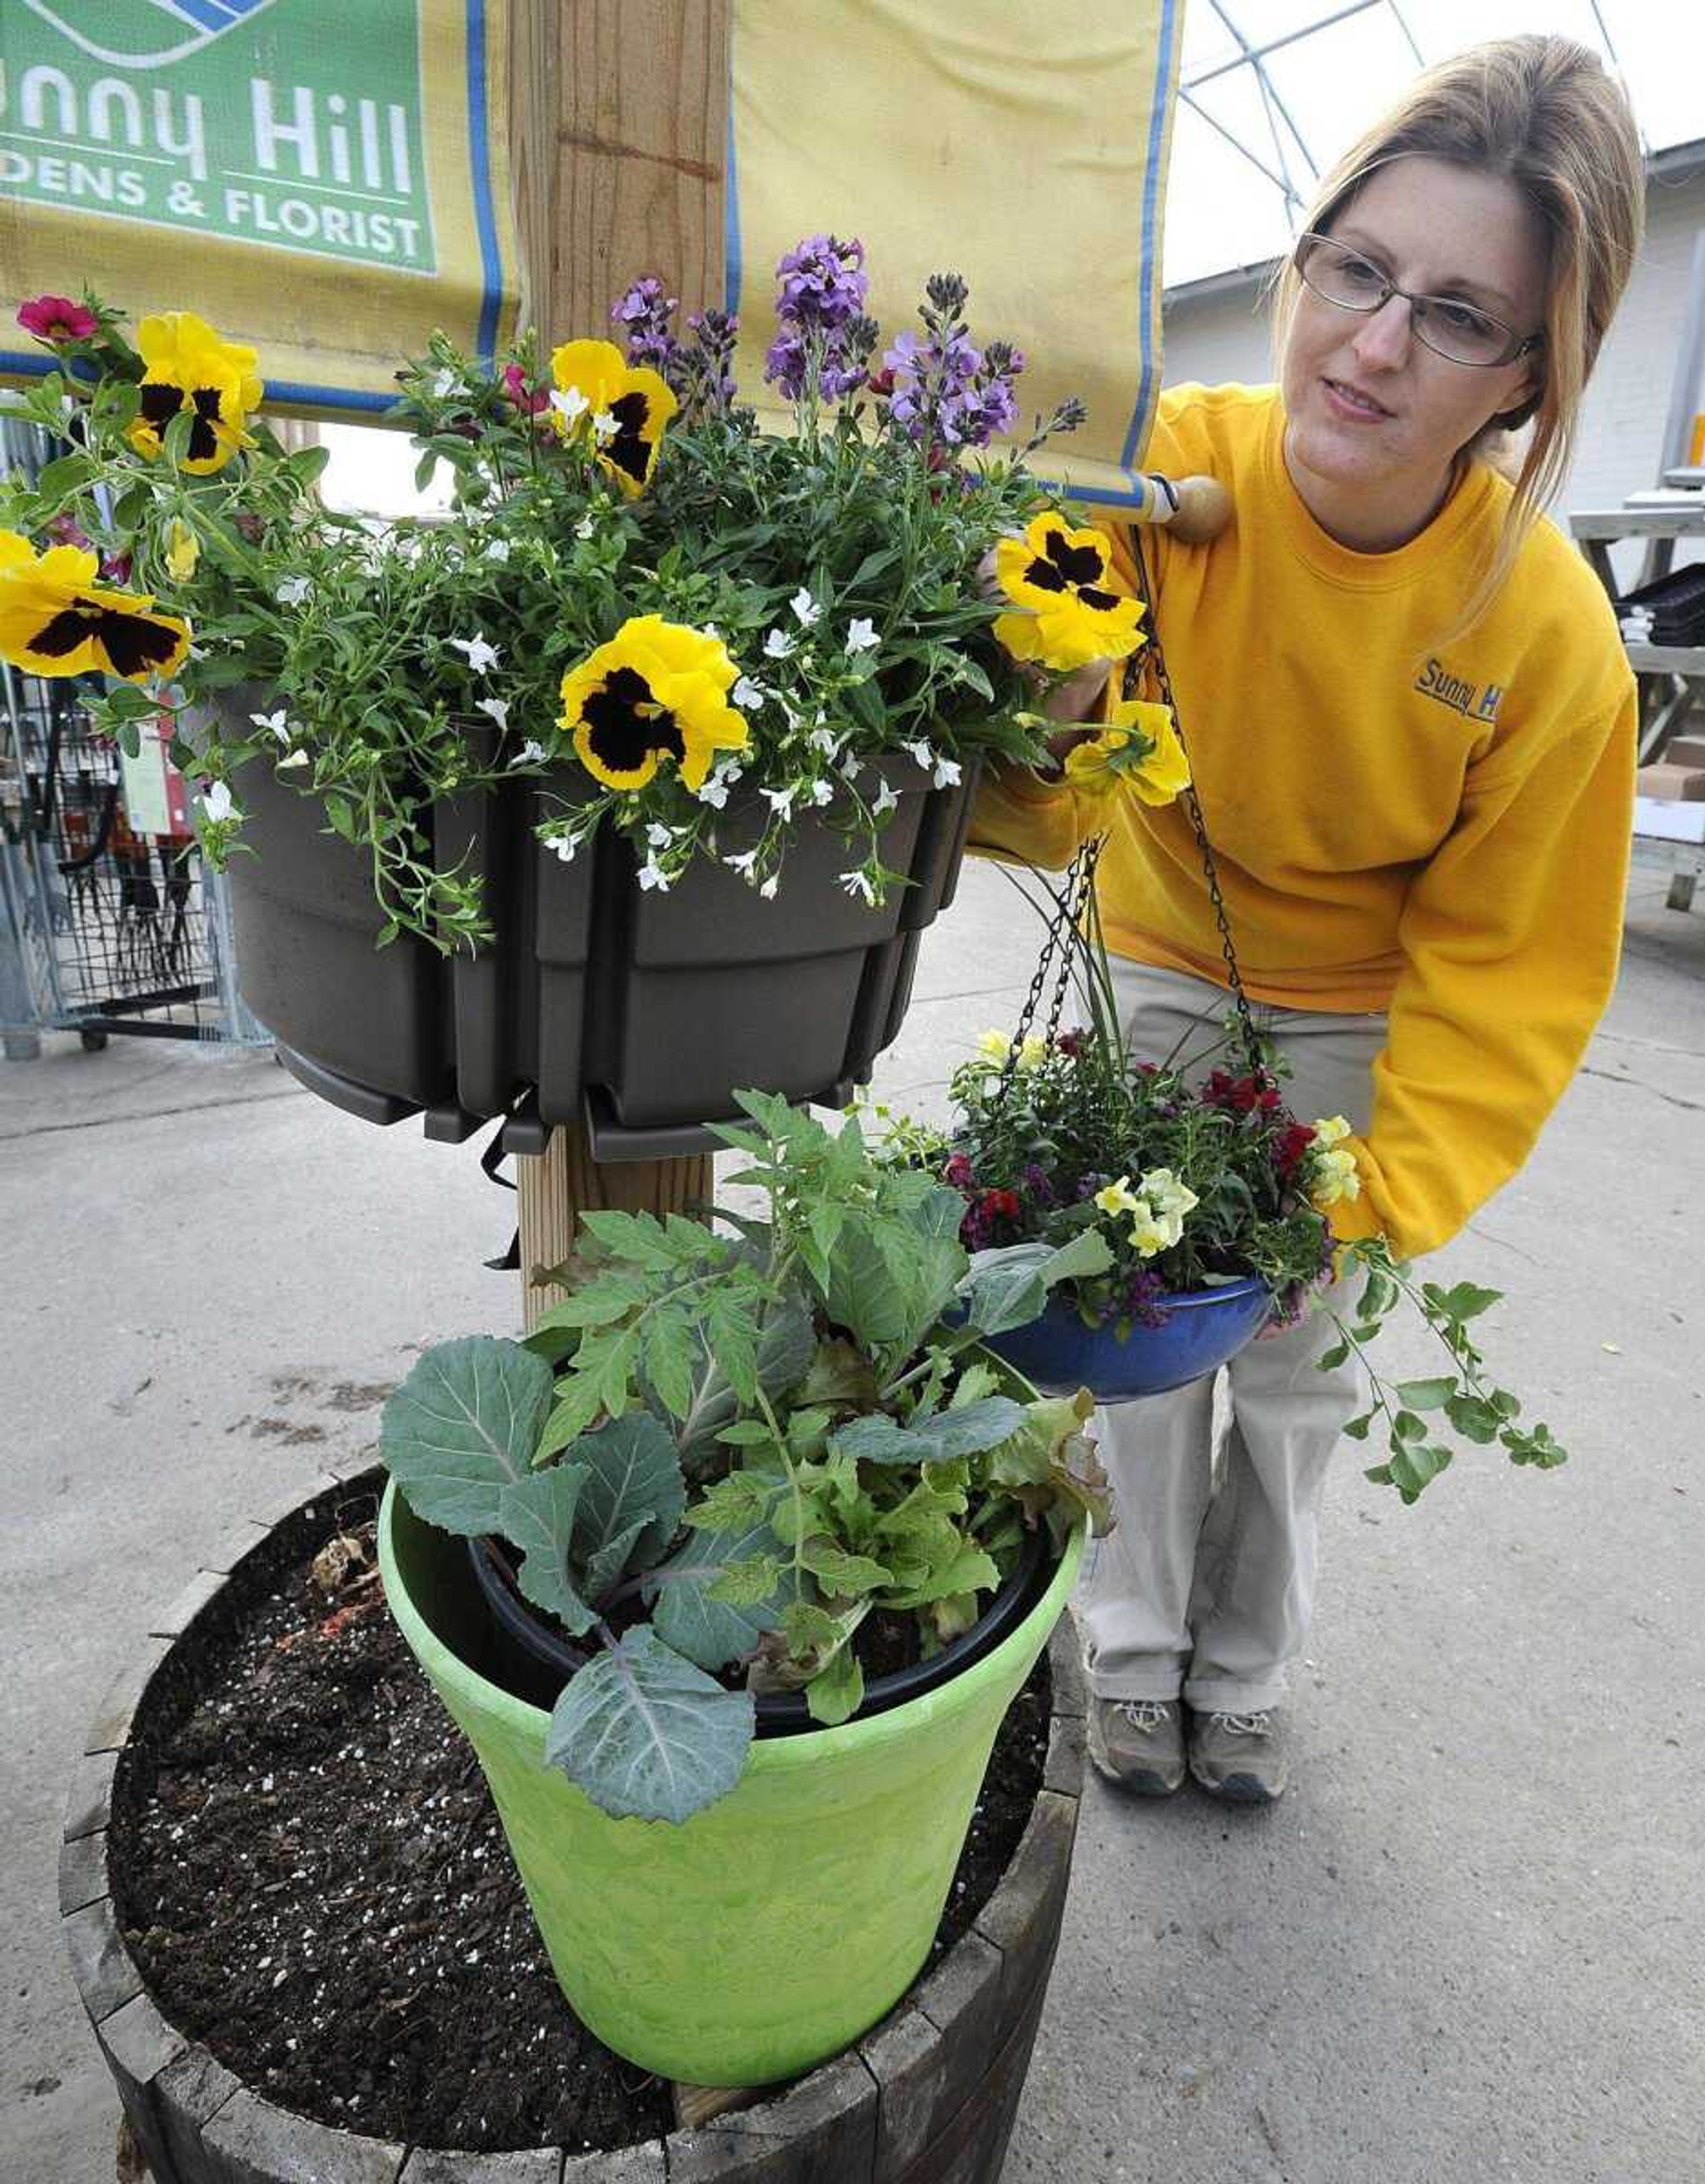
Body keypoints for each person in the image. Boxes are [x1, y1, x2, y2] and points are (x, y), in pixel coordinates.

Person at [969, 34, 1645, 1804]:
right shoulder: (1154, 480)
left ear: (1521, 381)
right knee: (1136, 1333)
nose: (1373, 343)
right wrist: (1040, 713)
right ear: (1303, 259)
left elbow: (1512, 972)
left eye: (1456, 314)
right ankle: (1129, 1651)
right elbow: (1037, 813)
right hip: (1167, 946)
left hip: (1363, 1007)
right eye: (1357, 270)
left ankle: (1243, 1673)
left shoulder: (1543, 633)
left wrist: (1383, 1192)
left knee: (1291, 1356)